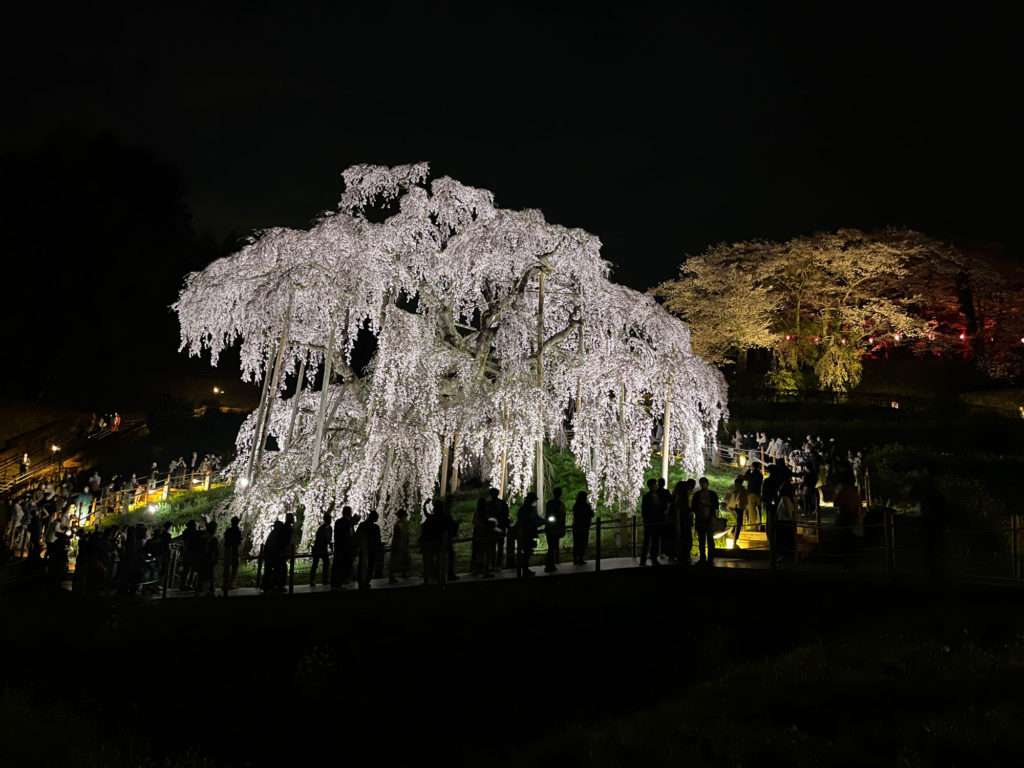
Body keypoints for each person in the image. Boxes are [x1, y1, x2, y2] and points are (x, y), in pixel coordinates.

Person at [833, 468, 862, 574]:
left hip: (844, 518)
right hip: (853, 518)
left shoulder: (843, 491)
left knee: (843, 543)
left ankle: (846, 566)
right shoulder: (854, 491)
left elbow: (836, 503)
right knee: (851, 544)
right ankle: (851, 565)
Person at [691, 477, 720, 565]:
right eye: (701, 483)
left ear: (707, 484)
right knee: (702, 539)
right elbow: (693, 507)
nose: (702, 485)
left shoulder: (712, 494)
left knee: (709, 539)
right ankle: (703, 558)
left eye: (703, 483)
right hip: (700, 518)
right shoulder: (697, 494)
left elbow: (716, 505)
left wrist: (707, 504)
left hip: (709, 518)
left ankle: (709, 558)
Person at [513, 492, 541, 575]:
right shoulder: (527, 509)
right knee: (527, 552)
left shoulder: (525, 509)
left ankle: (524, 569)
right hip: (526, 533)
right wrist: (542, 521)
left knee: (527, 551)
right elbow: (532, 520)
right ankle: (524, 570)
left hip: (526, 533)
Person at [354, 511, 383, 589]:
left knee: (362, 564)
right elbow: (378, 539)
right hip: (372, 549)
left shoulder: (362, 525)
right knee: (370, 565)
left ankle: (360, 580)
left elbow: (356, 536)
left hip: (363, 549)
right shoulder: (375, 527)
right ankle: (367, 581)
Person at [639, 478, 665, 566]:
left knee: (655, 541)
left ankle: (654, 559)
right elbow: (644, 510)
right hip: (649, 522)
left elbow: (662, 508)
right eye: (655, 484)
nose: (656, 486)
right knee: (647, 541)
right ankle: (643, 560)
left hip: (657, 522)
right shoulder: (646, 497)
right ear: (651, 486)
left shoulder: (660, 496)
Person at [486, 487, 512, 569]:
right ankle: (496, 564)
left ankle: (496, 564)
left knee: (496, 547)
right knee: (496, 547)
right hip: (497, 527)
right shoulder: (496, 504)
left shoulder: (491, 504)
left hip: (496, 527)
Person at [331, 506, 356, 588]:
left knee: (341, 565)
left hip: (341, 547)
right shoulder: (345, 522)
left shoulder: (340, 522)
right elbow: (346, 534)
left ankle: (340, 582)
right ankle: (339, 582)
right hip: (344, 548)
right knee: (342, 565)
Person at [544, 488, 566, 573]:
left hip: (552, 527)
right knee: (552, 547)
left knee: (552, 547)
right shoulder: (560, 504)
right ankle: (550, 564)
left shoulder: (551, 503)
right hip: (554, 528)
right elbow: (562, 517)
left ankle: (550, 564)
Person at [194, 521, 220, 596]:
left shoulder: (202, 537)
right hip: (208, 559)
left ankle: (201, 588)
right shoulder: (212, 539)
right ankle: (209, 588)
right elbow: (216, 550)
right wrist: (216, 558)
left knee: (202, 574)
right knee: (209, 574)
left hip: (204, 558)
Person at [724, 475, 748, 549]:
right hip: (739, 508)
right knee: (739, 525)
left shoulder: (731, 488)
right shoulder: (742, 489)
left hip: (731, 507)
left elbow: (725, 498)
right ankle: (734, 542)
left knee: (737, 524)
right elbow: (743, 500)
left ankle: (732, 533)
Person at [309, 511, 333, 587]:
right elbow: (324, 538)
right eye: (329, 519)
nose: (330, 520)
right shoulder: (323, 528)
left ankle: (325, 580)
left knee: (326, 564)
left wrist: (330, 544)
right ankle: (312, 580)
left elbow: (329, 539)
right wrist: (329, 543)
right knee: (315, 564)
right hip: (318, 548)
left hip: (323, 548)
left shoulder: (329, 528)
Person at [571, 490, 594, 565]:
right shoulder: (585, 505)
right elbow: (591, 514)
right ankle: (580, 559)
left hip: (576, 526)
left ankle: (575, 559)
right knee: (582, 543)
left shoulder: (575, 505)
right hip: (584, 526)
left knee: (576, 543)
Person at [672, 480, 692, 564]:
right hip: (685, 521)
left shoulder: (676, 498)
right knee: (687, 537)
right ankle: (686, 555)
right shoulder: (685, 498)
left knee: (680, 538)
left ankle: (679, 555)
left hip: (679, 522)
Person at [388, 508, 411, 583]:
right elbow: (397, 536)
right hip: (399, 545)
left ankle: (403, 573)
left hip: (402, 544)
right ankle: (392, 576)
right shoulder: (398, 525)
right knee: (396, 560)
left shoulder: (402, 524)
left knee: (402, 559)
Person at [223, 516, 242, 589]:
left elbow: (225, 539)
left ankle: (225, 584)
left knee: (226, 567)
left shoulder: (228, 530)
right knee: (234, 567)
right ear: (237, 523)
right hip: (234, 550)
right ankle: (230, 584)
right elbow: (238, 541)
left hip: (227, 550)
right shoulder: (237, 531)